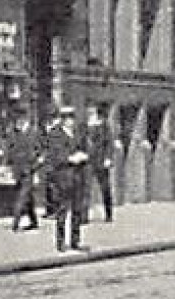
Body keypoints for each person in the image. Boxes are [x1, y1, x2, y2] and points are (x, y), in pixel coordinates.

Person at [44, 106, 90, 253]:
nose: (70, 121)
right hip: (63, 176)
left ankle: (75, 241)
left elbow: (86, 148)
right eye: (67, 118)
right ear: (62, 120)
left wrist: (85, 156)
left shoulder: (78, 133)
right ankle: (60, 242)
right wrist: (70, 158)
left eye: (72, 118)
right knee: (62, 210)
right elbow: (53, 156)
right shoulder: (55, 134)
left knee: (77, 210)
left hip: (77, 176)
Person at [6, 111, 41, 231]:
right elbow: (9, 150)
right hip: (17, 170)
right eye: (16, 121)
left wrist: (35, 166)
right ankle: (34, 220)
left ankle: (15, 222)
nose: (18, 124)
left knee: (22, 196)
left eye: (20, 121)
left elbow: (40, 151)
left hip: (29, 170)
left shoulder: (33, 134)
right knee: (27, 197)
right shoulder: (13, 134)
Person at [84, 106, 117, 223]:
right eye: (88, 112)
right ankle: (84, 216)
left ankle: (109, 213)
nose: (90, 113)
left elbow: (109, 143)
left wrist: (108, 158)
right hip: (88, 161)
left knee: (105, 188)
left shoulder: (104, 126)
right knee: (86, 189)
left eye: (92, 112)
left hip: (101, 161)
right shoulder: (84, 126)